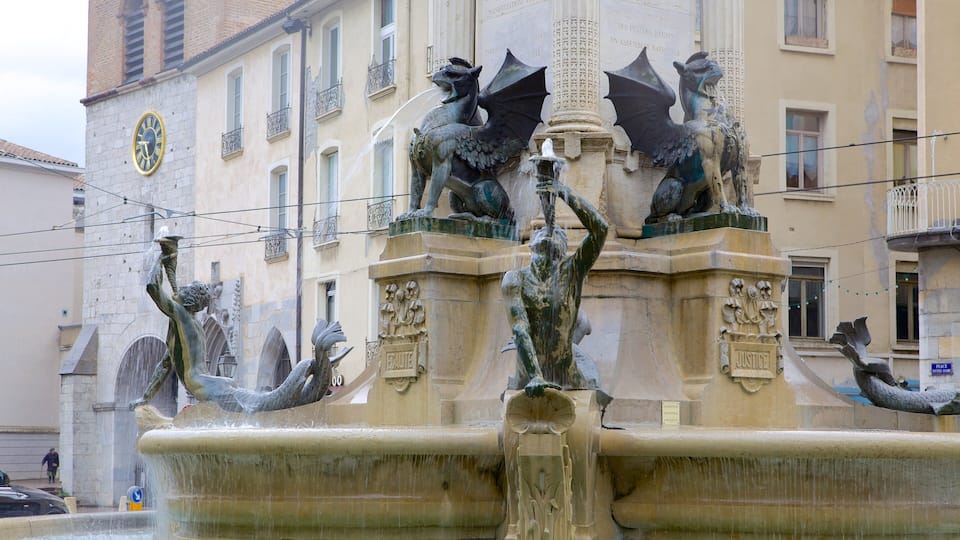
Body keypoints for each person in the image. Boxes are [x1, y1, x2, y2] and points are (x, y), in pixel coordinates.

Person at [131, 236, 338, 413]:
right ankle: (317, 362)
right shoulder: (183, 327)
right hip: (210, 385)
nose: (180, 290)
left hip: (207, 387)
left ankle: (316, 361)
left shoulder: (183, 318)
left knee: (260, 408)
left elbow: (152, 287)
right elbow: (164, 366)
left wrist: (162, 257)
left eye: (185, 290)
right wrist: (145, 398)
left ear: (189, 302)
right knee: (263, 405)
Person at [501, 181, 608, 398]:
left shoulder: (572, 271)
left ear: (562, 252)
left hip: (568, 376)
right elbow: (520, 329)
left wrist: (562, 191)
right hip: (529, 375)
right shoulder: (514, 279)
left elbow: (601, 229)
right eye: (540, 233)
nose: (549, 233)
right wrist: (535, 376)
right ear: (531, 246)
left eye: (559, 235)